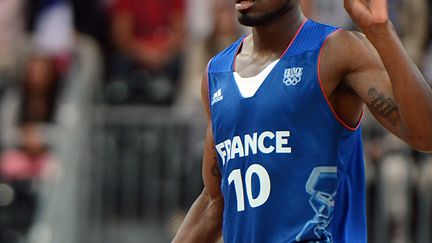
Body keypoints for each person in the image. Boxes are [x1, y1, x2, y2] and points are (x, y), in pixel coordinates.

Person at [173, 0, 432, 242]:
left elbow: (426, 135)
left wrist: (381, 32)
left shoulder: (338, 50)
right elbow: (213, 200)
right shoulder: (217, 73)